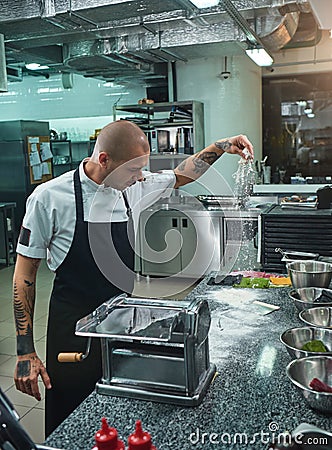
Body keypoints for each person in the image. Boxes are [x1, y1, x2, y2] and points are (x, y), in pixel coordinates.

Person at [12, 120, 254, 436]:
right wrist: (24, 351)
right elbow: (25, 274)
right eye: (133, 170)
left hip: (127, 328)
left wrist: (221, 146)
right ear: (103, 160)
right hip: (73, 332)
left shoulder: (134, 184)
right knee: (70, 423)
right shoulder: (48, 198)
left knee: (126, 418)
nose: (140, 177)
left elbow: (183, 173)